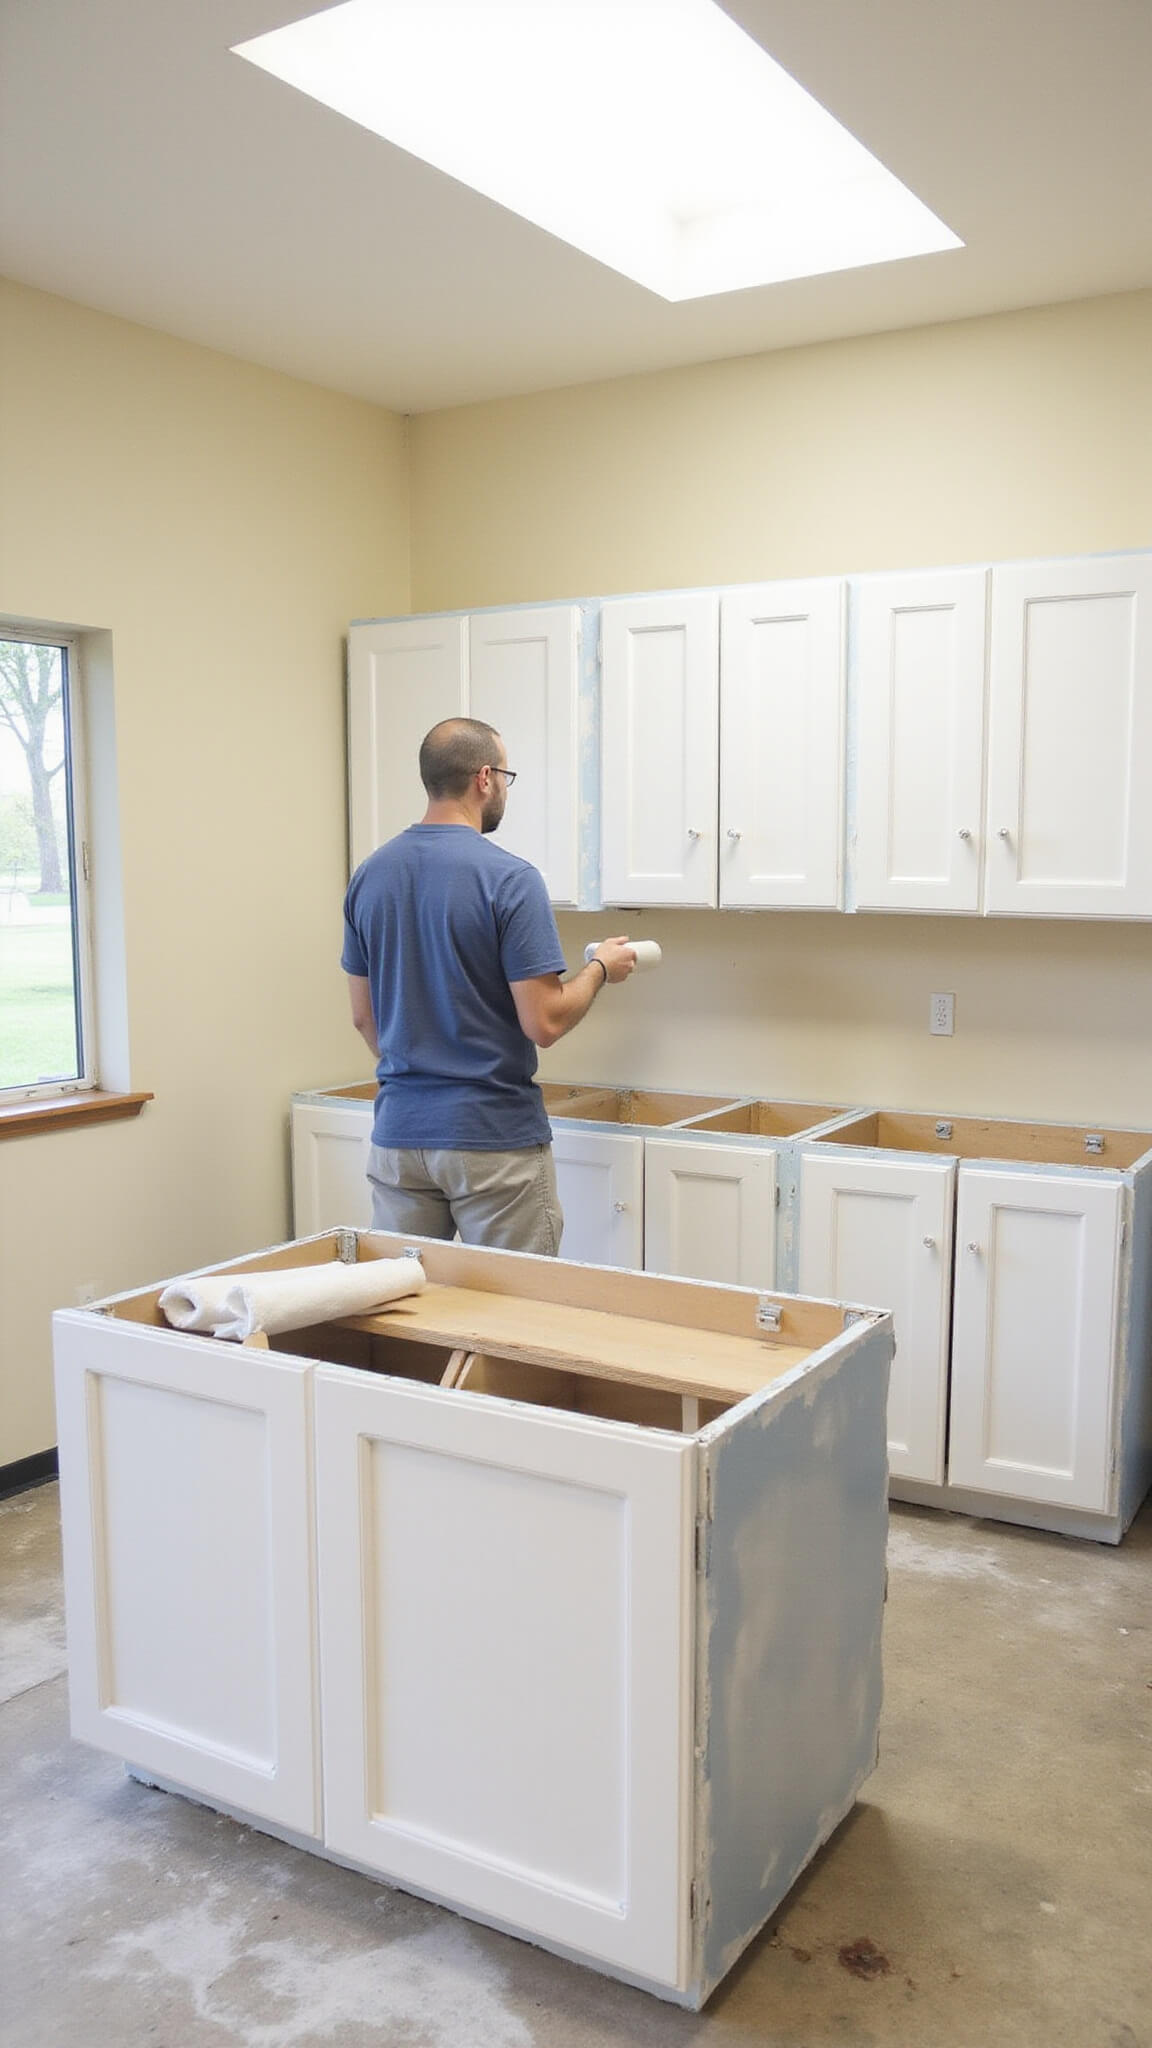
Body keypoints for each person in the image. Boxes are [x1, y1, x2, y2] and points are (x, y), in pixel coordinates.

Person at [342, 716, 637, 1253]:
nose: (505, 789)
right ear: (484, 778)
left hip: (399, 1138)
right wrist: (600, 970)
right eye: (506, 776)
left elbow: (365, 1018)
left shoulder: (370, 875)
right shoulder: (510, 879)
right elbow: (544, 1021)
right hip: (492, 1141)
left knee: (407, 1307)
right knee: (514, 1311)